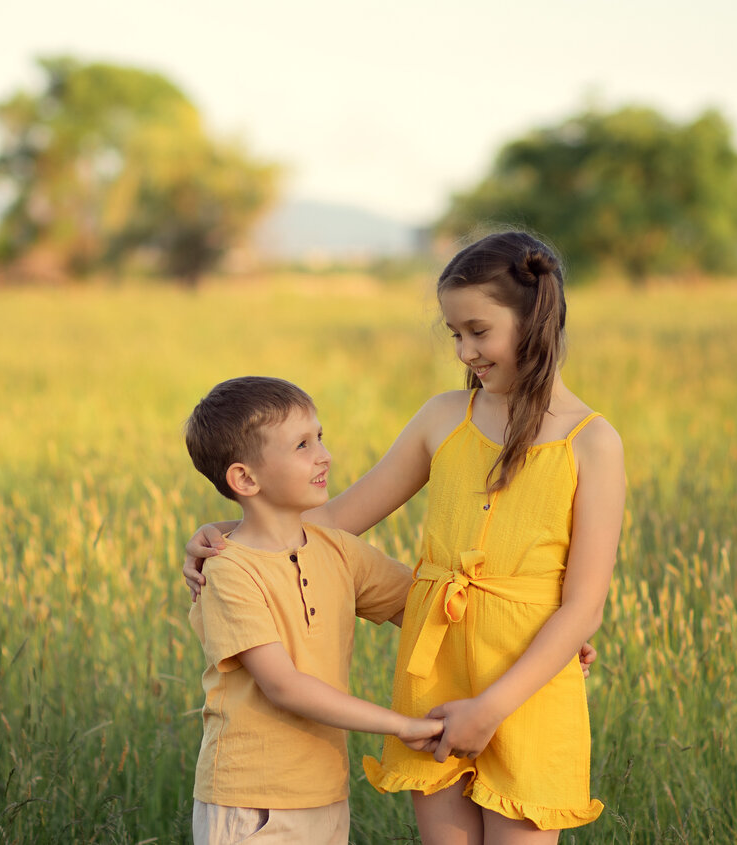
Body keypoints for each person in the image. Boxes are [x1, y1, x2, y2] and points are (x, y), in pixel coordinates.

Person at [185, 231, 625, 844]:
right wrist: (230, 531)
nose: (466, 351)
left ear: (536, 320)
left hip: (526, 689)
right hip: (435, 682)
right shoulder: (443, 418)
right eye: (455, 335)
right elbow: (327, 524)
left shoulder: (594, 445)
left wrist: (502, 695)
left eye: (479, 330)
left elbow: (584, 606)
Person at [182, 375, 444, 845]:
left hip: (324, 795)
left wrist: (545, 637)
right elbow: (283, 685)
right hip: (251, 803)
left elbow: (432, 608)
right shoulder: (229, 570)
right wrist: (401, 725)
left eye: (320, 437)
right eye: (302, 445)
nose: (324, 455)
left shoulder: (338, 550)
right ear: (245, 478)